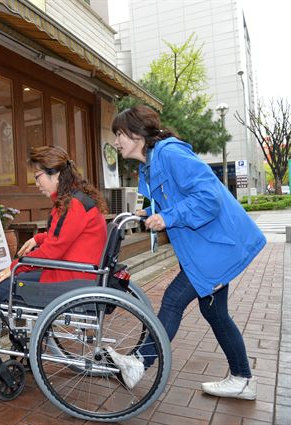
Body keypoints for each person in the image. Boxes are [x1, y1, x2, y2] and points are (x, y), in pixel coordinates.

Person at [106, 105, 265, 400]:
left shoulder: (169, 153)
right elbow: (178, 198)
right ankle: (242, 378)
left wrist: (168, 217)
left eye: (119, 134)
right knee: (214, 312)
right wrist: (152, 211)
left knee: (173, 299)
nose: (116, 141)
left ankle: (139, 363)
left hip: (215, 247)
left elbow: (209, 197)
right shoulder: (151, 165)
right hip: (204, 248)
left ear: (137, 134)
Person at [0, 146, 108, 376]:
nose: (37, 183)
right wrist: (38, 238)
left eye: (38, 177)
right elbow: (64, 235)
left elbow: (52, 252)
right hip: (74, 275)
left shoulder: (72, 204)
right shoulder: (76, 199)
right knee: (6, 283)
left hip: (69, 280)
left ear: (55, 174)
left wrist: (15, 266)